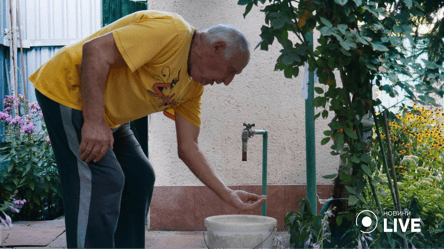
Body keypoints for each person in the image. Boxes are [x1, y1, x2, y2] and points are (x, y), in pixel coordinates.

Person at [29, 10, 266, 249]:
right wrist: (93, 121)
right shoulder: (171, 33)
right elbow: (96, 50)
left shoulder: (192, 88)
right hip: (68, 91)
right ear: (217, 47)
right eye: (231, 71)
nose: (227, 82)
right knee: (105, 179)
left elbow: (188, 147)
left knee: (139, 175)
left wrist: (228, 194)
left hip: (107, 116)